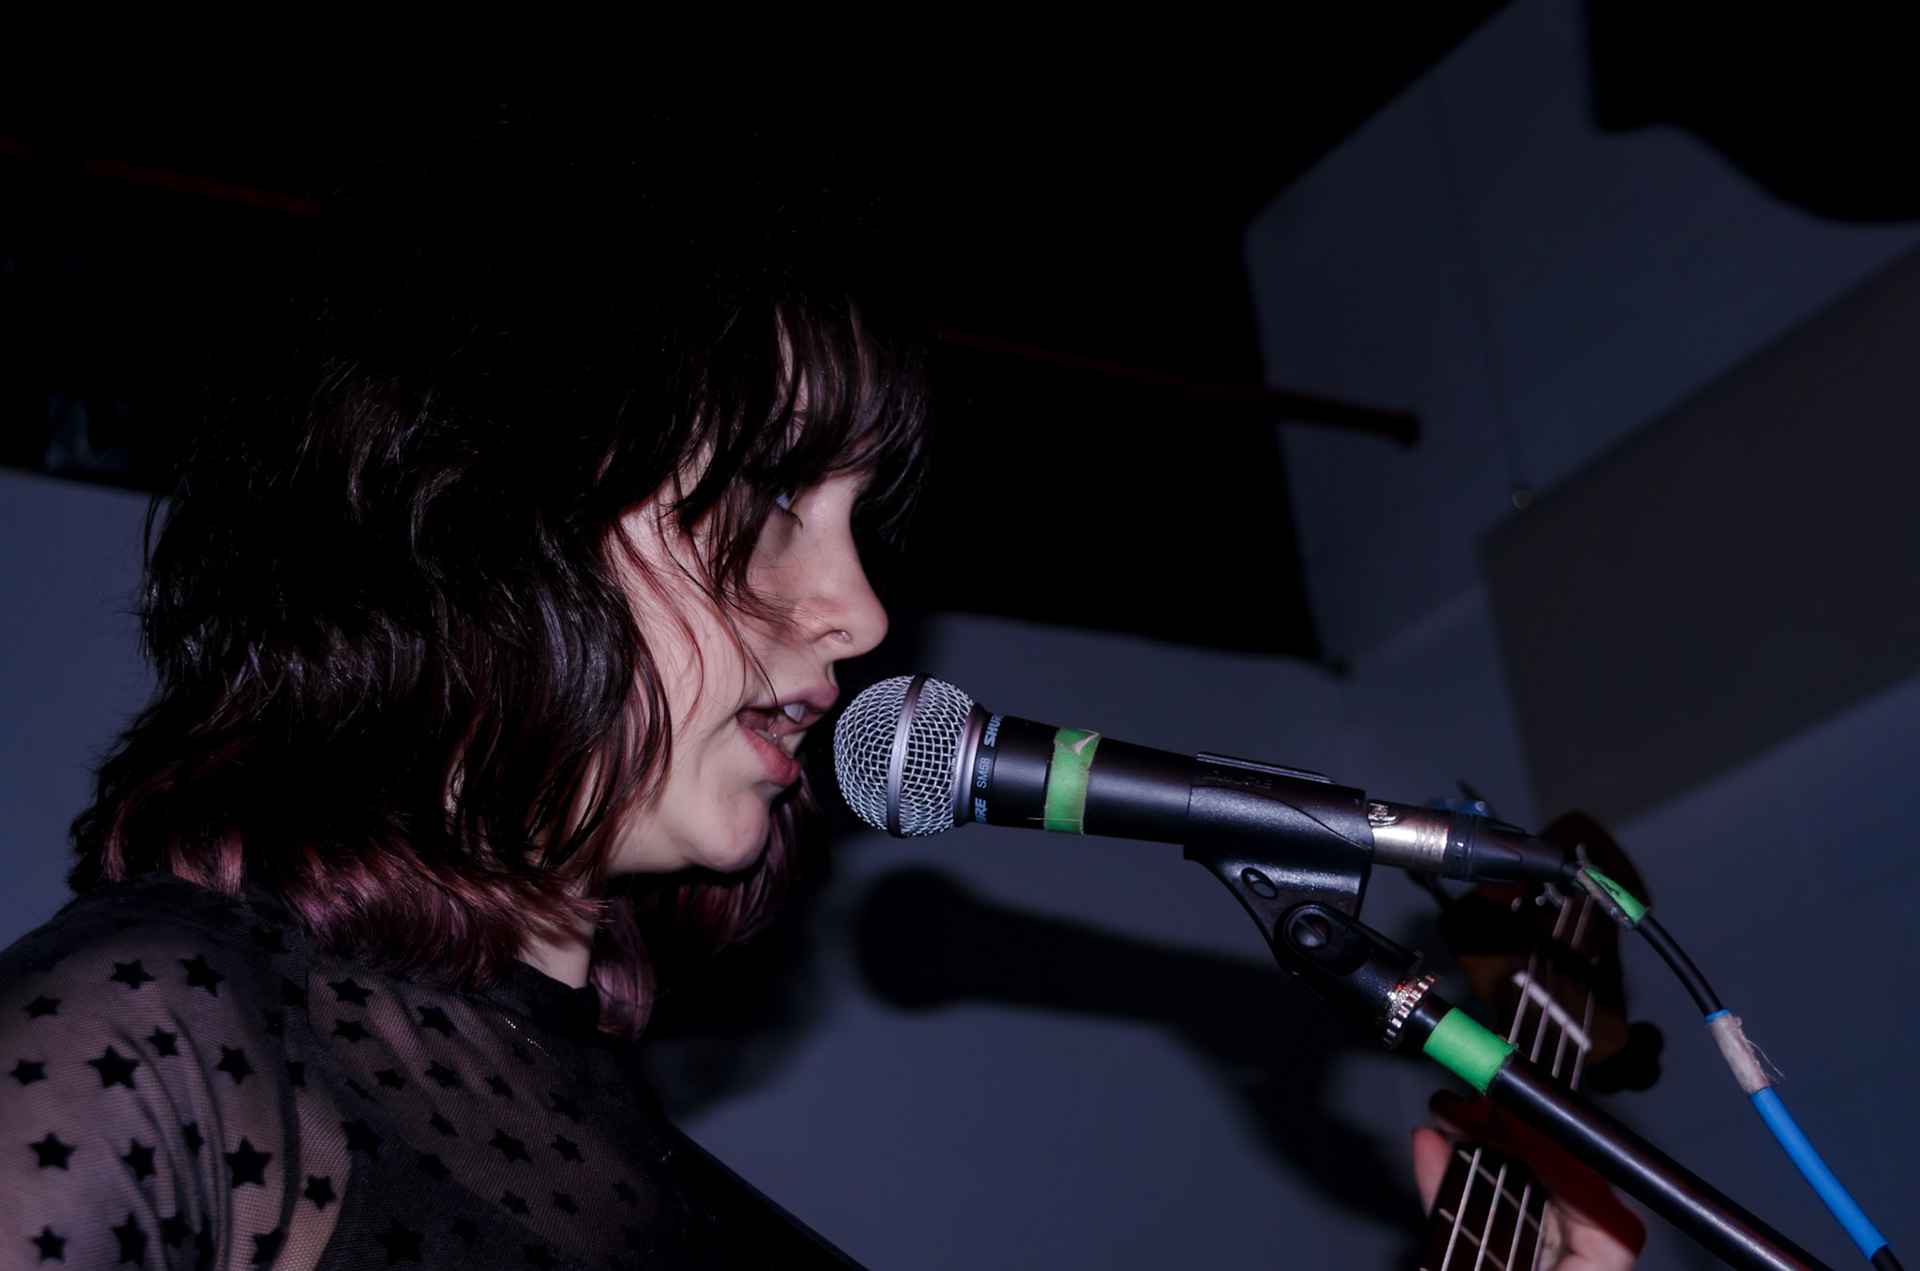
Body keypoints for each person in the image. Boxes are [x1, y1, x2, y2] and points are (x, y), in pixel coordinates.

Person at [0, 107, 1636, 1270]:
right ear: (483, 512)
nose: (859, 612)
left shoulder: (638, 1167)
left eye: (862, 523)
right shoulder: (166, 1032)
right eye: (776, 494)